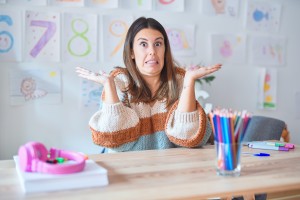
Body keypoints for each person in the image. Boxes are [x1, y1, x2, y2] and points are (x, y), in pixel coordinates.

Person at [76, 17, 221, 153]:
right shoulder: (119, 81)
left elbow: (190, 138)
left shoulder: (180, 80)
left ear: (165, 50)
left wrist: (189, 81)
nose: (152, 51)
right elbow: (113, 139)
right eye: (143, 44)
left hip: (169, 169)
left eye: (158, 44)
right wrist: (108, 85)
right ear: (132, 52)